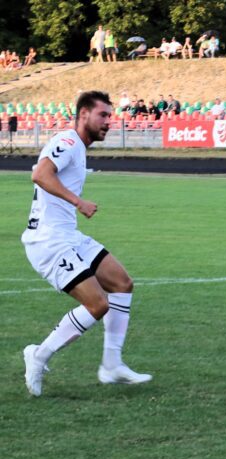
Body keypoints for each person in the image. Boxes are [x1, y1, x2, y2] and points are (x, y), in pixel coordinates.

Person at [21, 91, 152, 397]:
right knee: (97, 304)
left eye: (110, 115)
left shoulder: (78, 147)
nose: (109, 121)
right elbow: (40, 174)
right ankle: (38, 355)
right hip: (49, 241)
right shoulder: (67, 142)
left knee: (121, 283)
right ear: (83, 115)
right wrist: (78, 202)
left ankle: (111, 364)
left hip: (69, 235)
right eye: (102, 115)